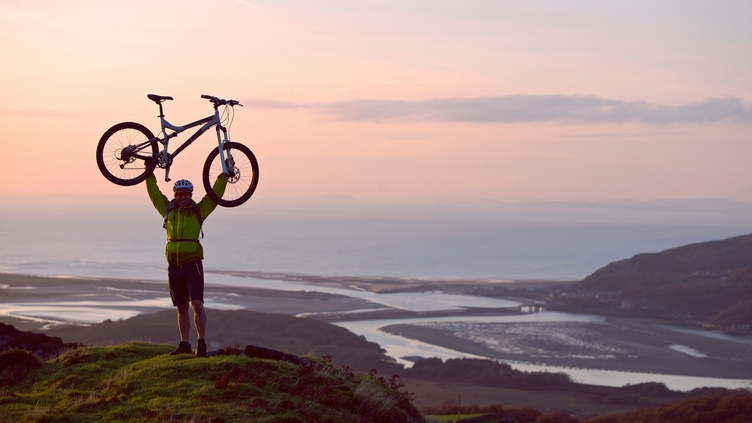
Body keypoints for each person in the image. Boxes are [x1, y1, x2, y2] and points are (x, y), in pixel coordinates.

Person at [146, 173, 226, 357]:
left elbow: (214, 196)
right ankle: (184, 344)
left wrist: (223, 176)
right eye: (179, 194)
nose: (183, 197)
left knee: (197, 304)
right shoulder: (168, 210)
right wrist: (148, 173)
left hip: (193, 264)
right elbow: (154, 193)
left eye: (186, 194)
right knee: (181, 307)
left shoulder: (199, 210)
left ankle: (201, 343)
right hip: (174, 265)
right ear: (174, 195)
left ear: (191, 195)